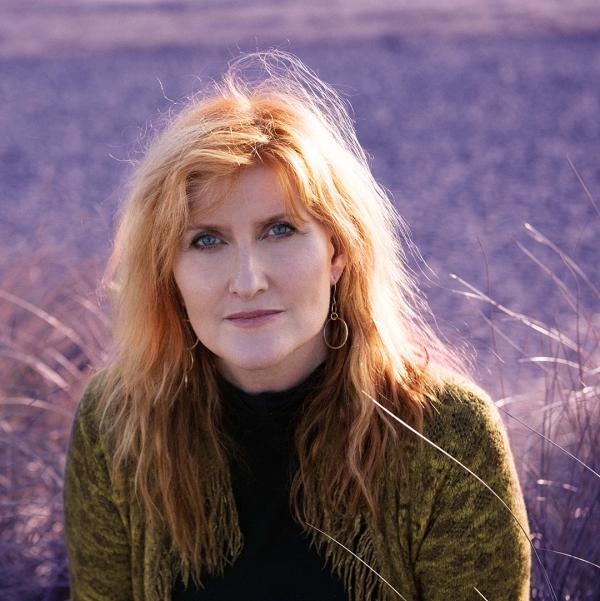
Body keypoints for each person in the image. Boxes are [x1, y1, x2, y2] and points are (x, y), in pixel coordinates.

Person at [63, 50, 531, 601]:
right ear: (169, 273)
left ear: (338, 250)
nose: (247, 280)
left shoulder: (449, 435)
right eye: (206, 240)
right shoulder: (118, 423)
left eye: (279, 230)